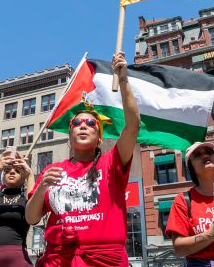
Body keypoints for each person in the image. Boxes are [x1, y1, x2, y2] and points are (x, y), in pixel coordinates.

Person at [25, 52, 140, 267]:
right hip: (58, 260)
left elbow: (133, 126)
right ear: (69, 135)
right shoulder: (52, 169)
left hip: (104, 261)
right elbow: (31, 218)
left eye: (90, 123)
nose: (83, 125)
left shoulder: (112, 162)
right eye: (76, 124)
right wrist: (41, 188)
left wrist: (123, 79)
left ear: (99, 138)